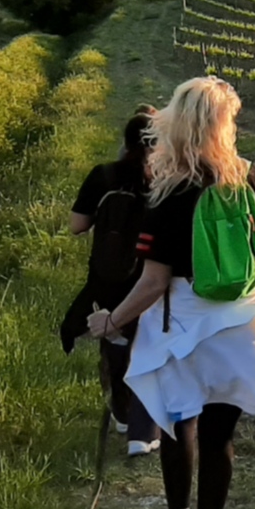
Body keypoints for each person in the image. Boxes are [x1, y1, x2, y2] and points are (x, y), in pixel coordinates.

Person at [88, 76, 255, 509]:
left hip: (184, 324)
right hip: (243, 325)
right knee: (219, 434)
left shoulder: (169, 192)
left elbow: (152, 283)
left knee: (176, 422)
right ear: (223, 126)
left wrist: (111, 321)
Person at [61, 111, 162, 456]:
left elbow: (76, 225)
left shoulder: (103, 175)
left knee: (115, 338)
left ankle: (122, 412)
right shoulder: (164, 179)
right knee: (149, 342)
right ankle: (145, 424)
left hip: (107, 276)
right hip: (150, 274)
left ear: (125, 141)